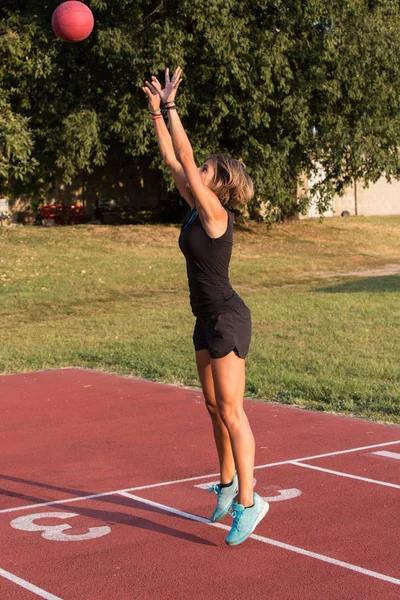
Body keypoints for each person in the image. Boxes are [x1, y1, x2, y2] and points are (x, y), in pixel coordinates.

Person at [142, 67, 269, 546]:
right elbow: (174, 159)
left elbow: (187, 154)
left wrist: (173, 105)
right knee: (214, 406)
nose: (197, 173)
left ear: (220, 183)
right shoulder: (196, 207)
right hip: (205, 319)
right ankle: (227, 483)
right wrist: (156, 112)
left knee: (234, 411)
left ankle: (250, 503)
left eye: (207, 171)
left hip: (228, 318)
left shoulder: (216, 214)